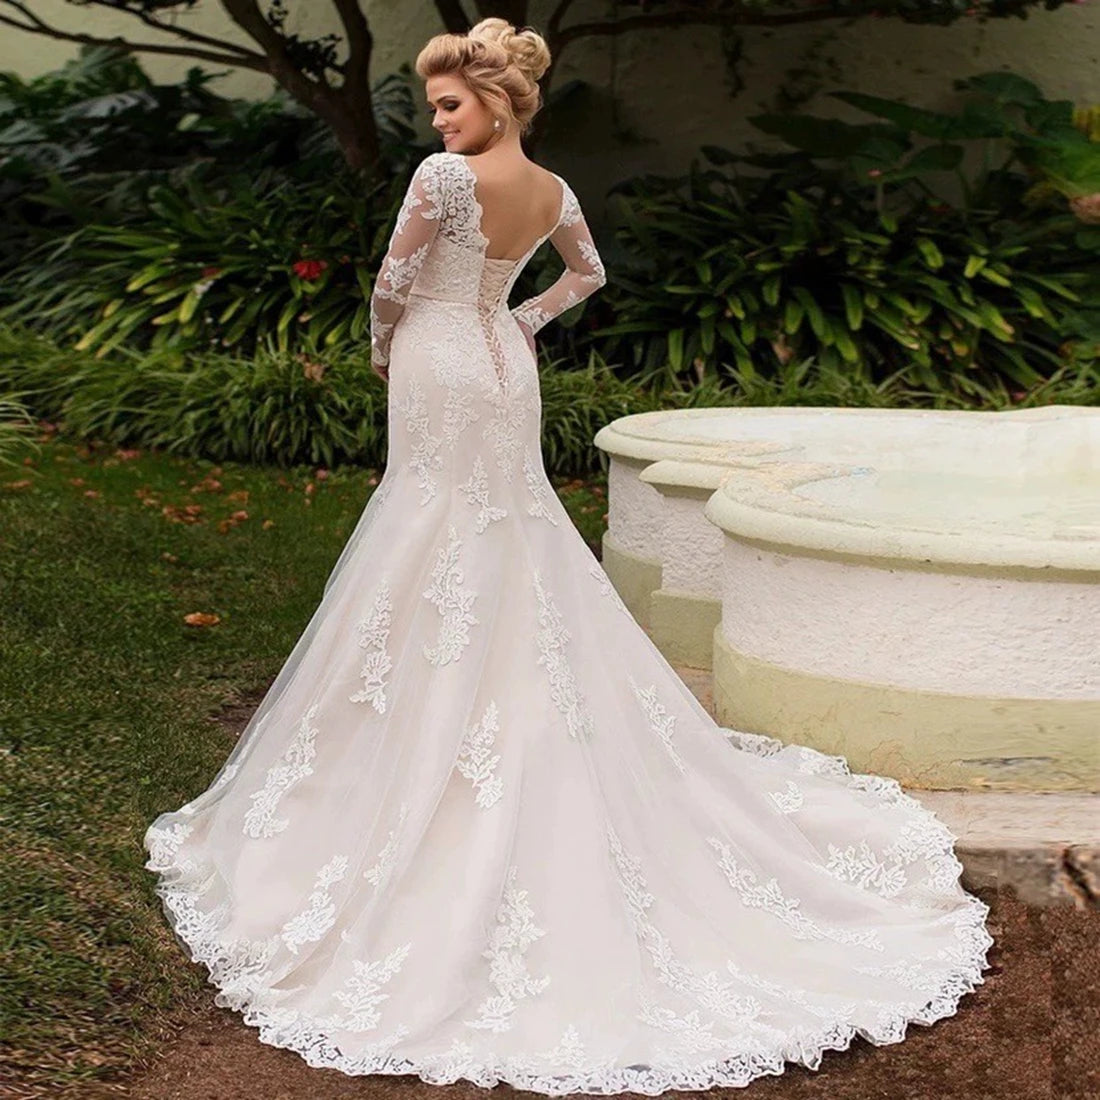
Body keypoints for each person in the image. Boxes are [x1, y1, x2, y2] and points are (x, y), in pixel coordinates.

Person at [143, 17, 994, 1096]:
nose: (437, 118)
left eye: (450, 102)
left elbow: (390, 283)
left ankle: (413, 732)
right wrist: (525, 318)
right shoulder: (548, 189)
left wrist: (378, 346)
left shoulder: (442, 180)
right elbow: (585, 274)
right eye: (436, 105)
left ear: (495, 100)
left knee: (432, 518)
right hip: (500, 352)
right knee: (500, 523)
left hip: (440, 358)